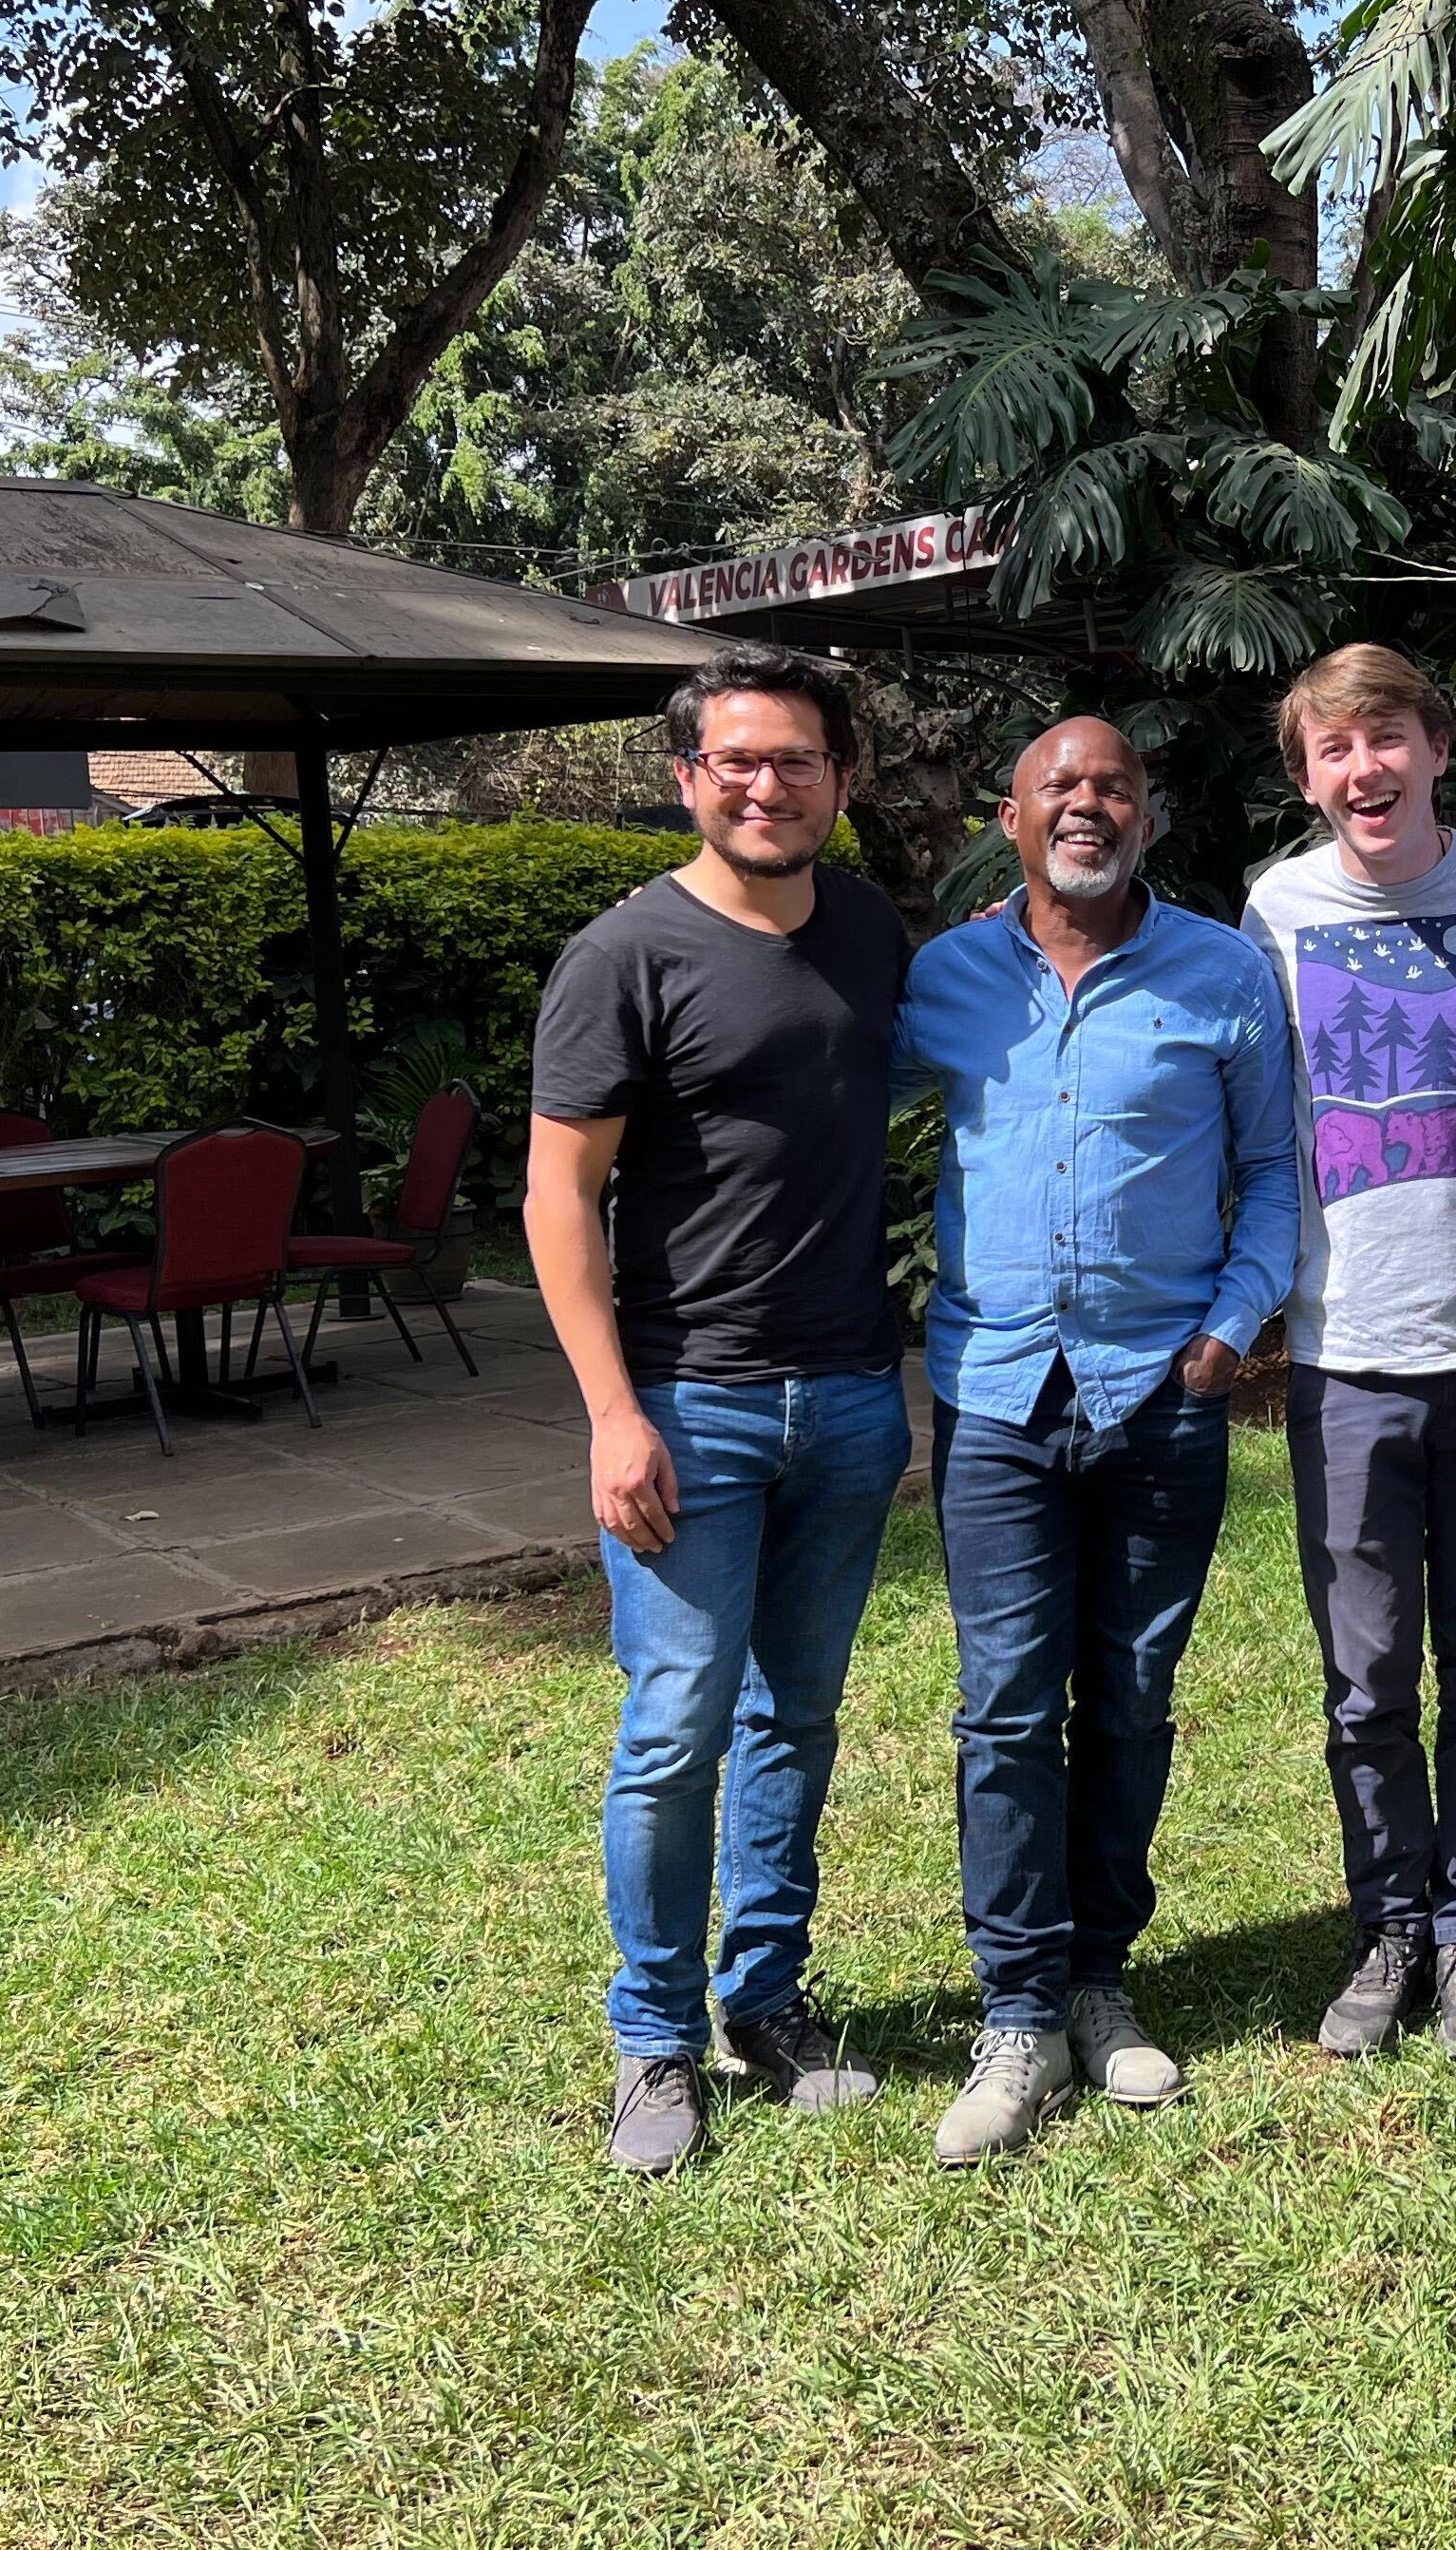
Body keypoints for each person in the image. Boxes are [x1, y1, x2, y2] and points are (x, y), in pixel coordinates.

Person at [524, 643, 915, 2179]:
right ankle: (653, 2040)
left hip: (851, 1397)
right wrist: (613, 1414)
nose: (768, 785)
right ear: (689, 778)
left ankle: (766, 2000)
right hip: (690, 1402)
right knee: (675, 1727)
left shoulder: (874, 931)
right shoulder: (625, 956)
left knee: (796, 1718)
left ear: (837, 778)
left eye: (798, 761)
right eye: (737, 762)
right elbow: (559, 1195)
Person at [893, 715, 1298, 2164]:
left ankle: (1097, 1980)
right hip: (996, 1395)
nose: (1088, 805)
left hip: (1162, 1394)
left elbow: (1271, 1173)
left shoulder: (1222, 972)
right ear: (1009, 818)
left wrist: (1232, 1326)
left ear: (1150, 812)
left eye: (1114, 784)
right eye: (1061, 787)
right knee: (1005, 1704)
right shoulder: (939, 980)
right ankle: (1015, 2009)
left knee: (1129, 1697)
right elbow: (815, 1112)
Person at [1239, 645, 1456, 2063]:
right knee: (1366, 1678)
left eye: (1385, 738)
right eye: (1331, 750)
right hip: (1346, 1353)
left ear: (1441, 745)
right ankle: (1388, 1918)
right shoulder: (1275, 909)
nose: (1362, 769)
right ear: (1306, 776)